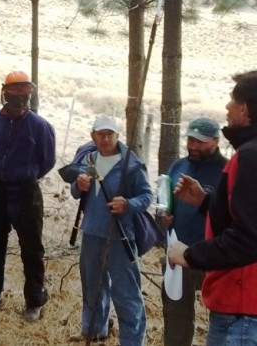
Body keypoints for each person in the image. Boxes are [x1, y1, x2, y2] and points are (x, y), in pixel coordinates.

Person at [168, 70, 257, 346]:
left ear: (244, 109)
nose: (227, 107)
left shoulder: (253, 158)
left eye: (232, 100)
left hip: (249, 316)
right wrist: (206, 203)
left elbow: (252, 240)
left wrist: (190, 254)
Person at [0, 71, 56, 322]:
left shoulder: (41, 126)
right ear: (5, 94)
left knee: (32, 249)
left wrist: (24, 174)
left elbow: (47, 160)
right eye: (14, 95)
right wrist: (1, 171)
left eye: (24, 96)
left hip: (26, 191)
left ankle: (34, 302)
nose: (20, 101)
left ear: (30, 96)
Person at [68, 116, 152, 345]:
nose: (105, 139)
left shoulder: (131, 164)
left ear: (117, 136)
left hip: (120, 236)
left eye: (110, 134)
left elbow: (146, 196)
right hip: (92, 232)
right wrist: (79, 185)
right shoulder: (89, 158)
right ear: (92, 135)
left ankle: (133, 340)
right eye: (100, 134)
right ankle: (94, 330)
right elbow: (76, 192)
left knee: (126, 294)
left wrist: (128, 204)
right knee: (93, 288)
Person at [160, 117, 228, 346]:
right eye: (190, 139)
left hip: (214, 256)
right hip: (178, 253)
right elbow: (167, 204)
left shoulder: (227, 172)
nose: (193, 146)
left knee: (221, 316)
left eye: (200, 142)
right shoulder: (178, 166)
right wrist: (164, 218)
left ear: (216, 142)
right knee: (176, 313)